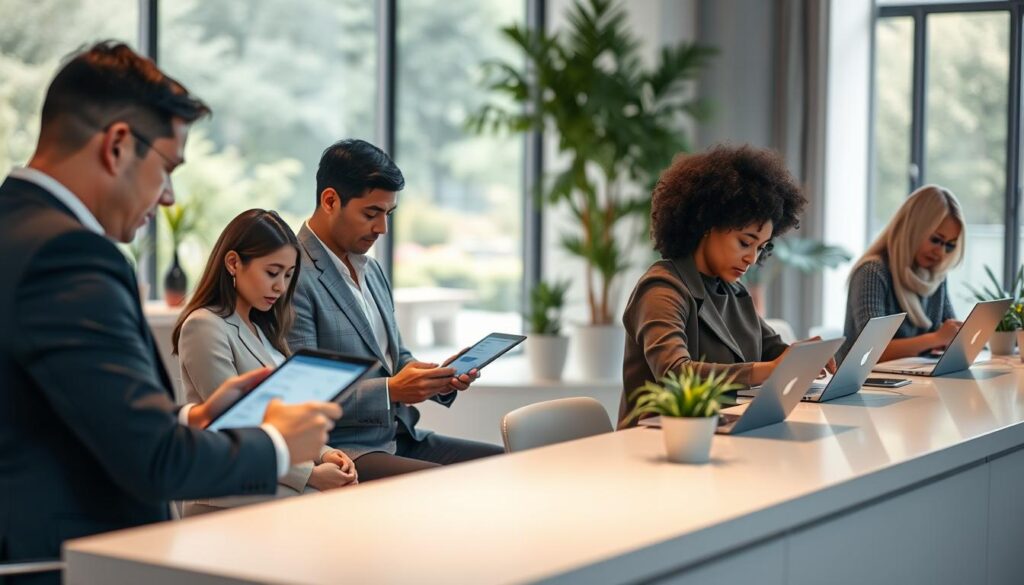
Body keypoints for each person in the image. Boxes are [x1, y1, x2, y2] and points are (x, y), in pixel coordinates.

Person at [0, 41, 340, 580]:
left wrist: (195, 417)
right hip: (66, 563)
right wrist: (278, 444)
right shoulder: (67, 257)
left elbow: (49, 413)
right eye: (167, 168)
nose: (168, 198)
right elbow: (154, 462)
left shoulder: (16, 229)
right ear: (116, 146)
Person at [288, 138, 504, 481]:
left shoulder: (371, 270)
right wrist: (391, 391)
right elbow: (303, 396)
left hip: (400, 436)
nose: (382, 228)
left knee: (506, 464)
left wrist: (434, 379)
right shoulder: (292, 274)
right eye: (371, 213)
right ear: (330, 200)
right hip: (342, 450)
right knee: (454, 485)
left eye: (387, 214)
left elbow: (395, 356)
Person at [619, 144, 823, 429]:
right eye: (744, 242)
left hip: (720, 434)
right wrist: (767, 371)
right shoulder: (661, 289)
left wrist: (806, 357)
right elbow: (676, 374)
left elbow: (771, 350)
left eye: (761, 247)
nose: (752, 258)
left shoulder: (732, 291)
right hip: (662, 444)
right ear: (707, 224)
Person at [173, 209, 358, 516]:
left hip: (271, 480)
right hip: (228, 491)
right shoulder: (204, 326)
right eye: (272, 273)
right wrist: (310, 475)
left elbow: (285, 418)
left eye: (288, 275)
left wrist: (326, 455)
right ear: (233, 263)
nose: (281, 288)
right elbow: (235, 424)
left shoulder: (263, 329)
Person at [840, 185, 965, 362]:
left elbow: (951, 334)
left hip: (910, 381)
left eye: (950, 245)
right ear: (913, 229)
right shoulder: (872, 272)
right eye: (936, 240)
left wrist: (951, 337)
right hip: (864, 384)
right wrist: (936, 339)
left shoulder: (936, 276)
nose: (941, 252)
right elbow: (872, 351)